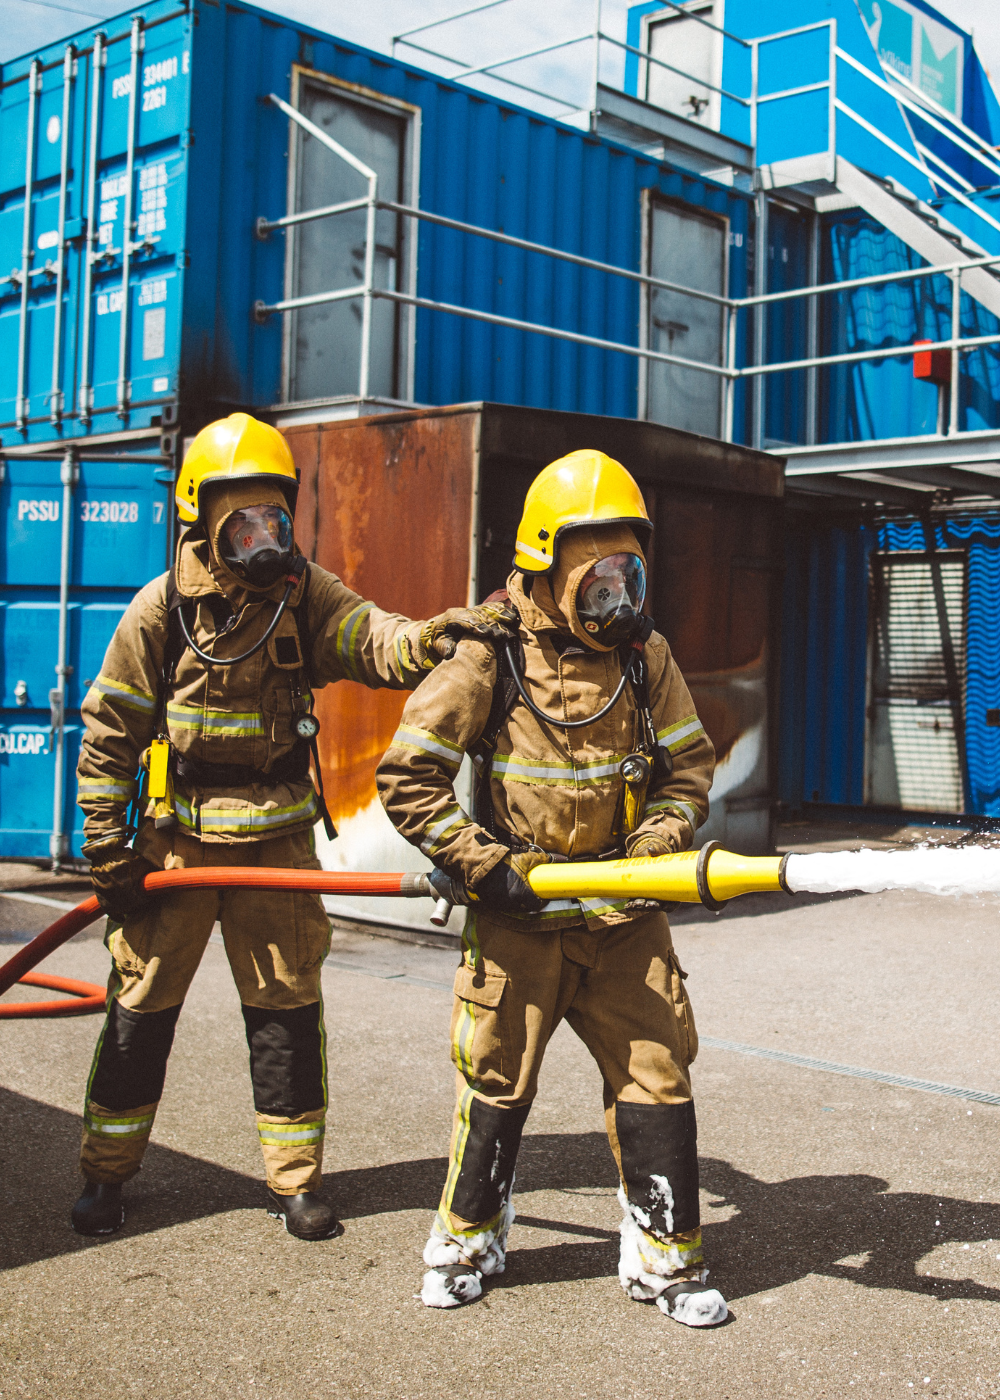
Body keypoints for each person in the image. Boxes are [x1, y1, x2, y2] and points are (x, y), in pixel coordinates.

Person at [73, 413, 515, 1241]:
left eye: (275, 519)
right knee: (140, 1011)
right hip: (178, 845)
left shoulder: (302, 594)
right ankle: (106, 1175)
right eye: (243, 523)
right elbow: (110, 731)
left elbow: (369, 636)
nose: (264, 539)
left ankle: (295, 1183)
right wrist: (106, 845)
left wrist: (430, 637)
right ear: (201, 521)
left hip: (277, 844)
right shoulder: (160, 610)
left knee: (285, 1014)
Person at [376, 449, 727, 1327]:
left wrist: (658, 839)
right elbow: (408, 778)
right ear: (546, 565)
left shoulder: (645, 658)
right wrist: (484, 866)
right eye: (598, 581)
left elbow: (689, 769)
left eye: (629, 575)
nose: (618, 600)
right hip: (519, 920)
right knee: (495, 1085)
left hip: (624, 917)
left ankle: (665, 1261)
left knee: (659, 1080)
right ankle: (465, 1244)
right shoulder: (487, 656)